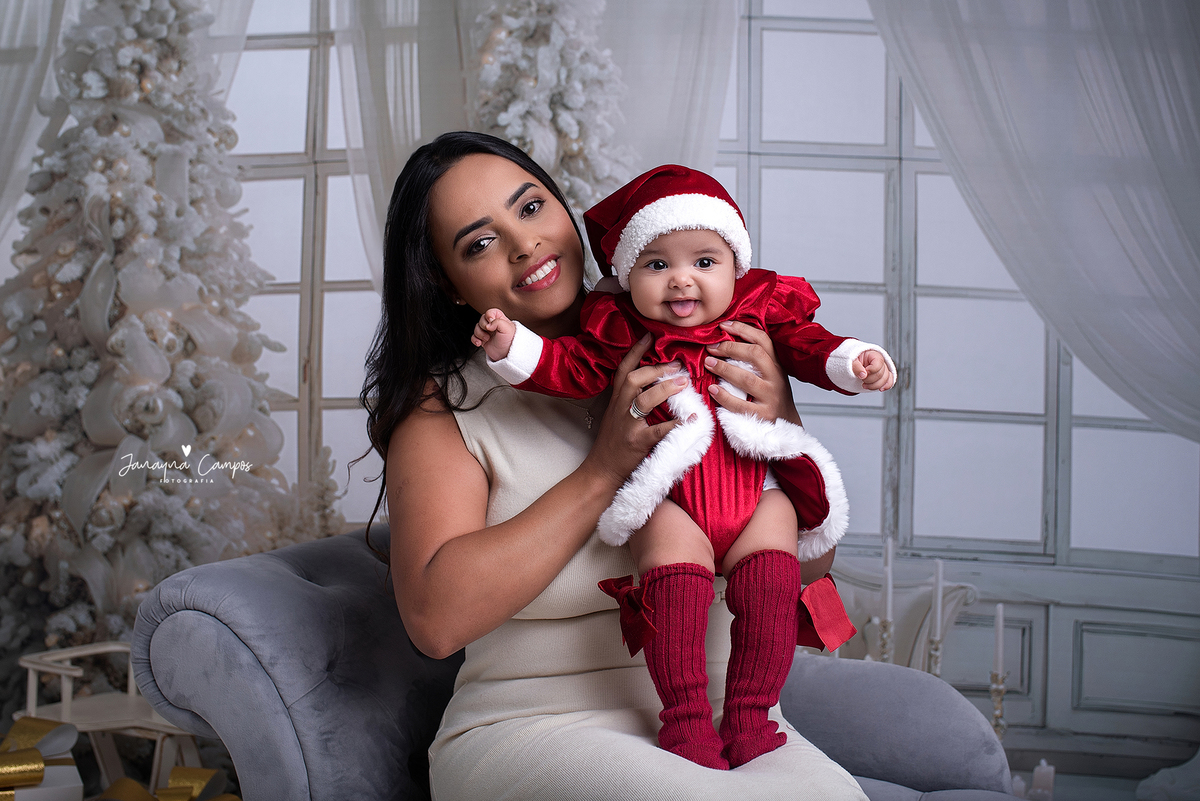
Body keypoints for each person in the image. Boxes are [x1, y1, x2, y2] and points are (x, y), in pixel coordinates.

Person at [363, 130, 868, 799]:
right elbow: (434, 621)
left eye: (532, 208)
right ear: (448, 285)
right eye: (479, 243)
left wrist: (781, 425)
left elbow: (809, 569)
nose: (524, 244)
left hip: (732, 724)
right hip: (535, 725)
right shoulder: (445, 407)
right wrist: (603, 471)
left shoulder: (694, 338)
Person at [471, 164, 895, 769]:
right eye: (656, 264)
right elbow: (572, 367)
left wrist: (855, 361)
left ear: (735, 265)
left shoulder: (759, 310)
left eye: (704, 261)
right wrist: (513, 347)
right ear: (627, 275)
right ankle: (687, 719)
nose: (680, 280)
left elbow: (810, 345)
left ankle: (749, 715)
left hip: (756, 488)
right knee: (673, 589)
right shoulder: (620, 327)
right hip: (673, 493)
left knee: (772, 587)